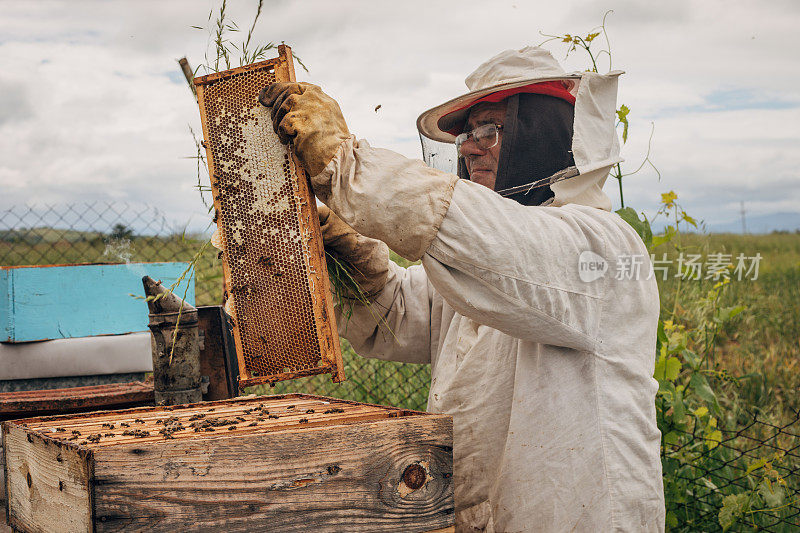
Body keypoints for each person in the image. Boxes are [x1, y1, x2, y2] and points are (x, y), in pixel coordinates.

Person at [260, 46, 665, 532]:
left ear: (544, 133)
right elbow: (402, 313)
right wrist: (351, 256)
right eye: (466, 136)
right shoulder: (480, 265)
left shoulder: (602, 248)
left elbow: (495, 241)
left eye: (490, 130)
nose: (470, 147)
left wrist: (346, 164)